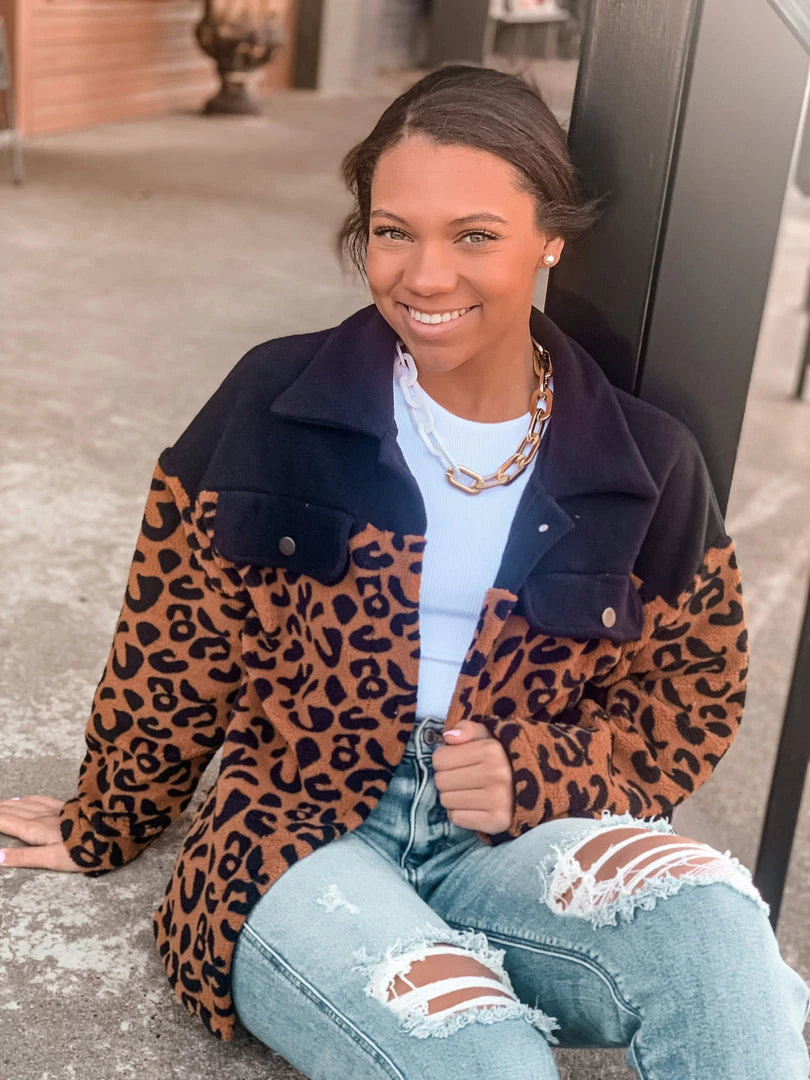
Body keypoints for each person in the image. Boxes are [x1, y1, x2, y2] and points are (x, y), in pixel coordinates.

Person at [1, 65, 808, 1080]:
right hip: (296, 837)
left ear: (550, 239)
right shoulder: (277, 404)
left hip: (519, 844)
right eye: (394, 232)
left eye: (475, 235)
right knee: (484, 1058)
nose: (425, 277)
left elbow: (694, 692)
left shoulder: (644, 466)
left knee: (721, 936)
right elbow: (176, 640)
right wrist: (108, 814)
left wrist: (539, 771)